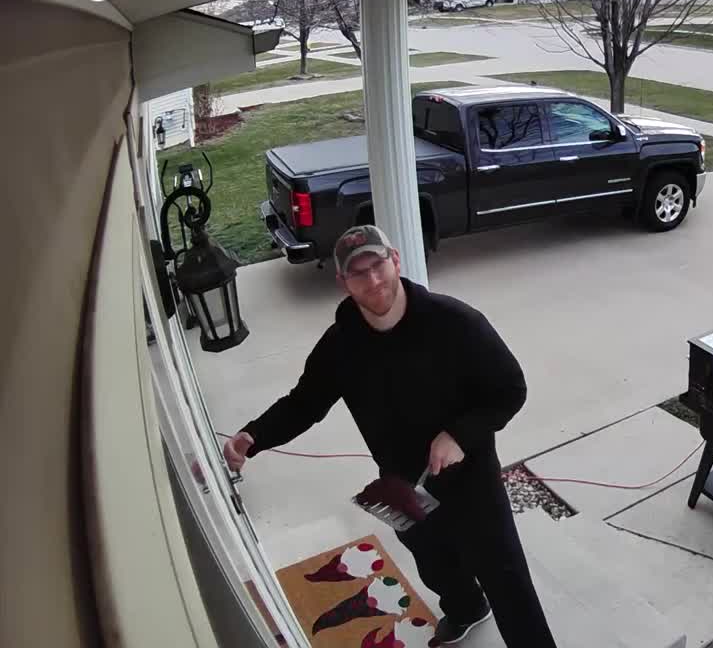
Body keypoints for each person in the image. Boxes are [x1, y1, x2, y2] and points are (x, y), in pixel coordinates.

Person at [223, 225, 557, 647]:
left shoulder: (456, 323)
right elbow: (304, 402)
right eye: (358, 273)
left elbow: (511, 389)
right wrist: (253, 436)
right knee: (433, 561)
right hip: (399, 481)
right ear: (343, 282)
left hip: (470, 474)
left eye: (377, 265)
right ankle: (467, 607)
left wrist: (458, 434)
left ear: (395, 260)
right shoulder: (340, 345)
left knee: (505, 574)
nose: (373, 280)